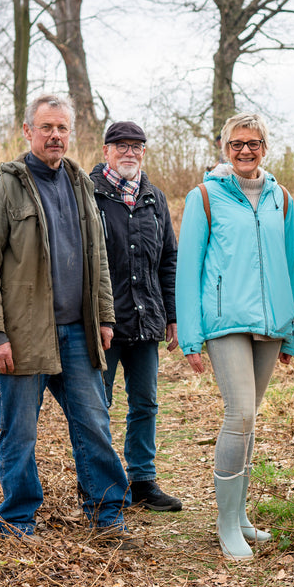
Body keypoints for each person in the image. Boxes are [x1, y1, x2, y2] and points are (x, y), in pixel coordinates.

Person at [0, 92, 135, 549]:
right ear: (28, 131)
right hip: (22, 337)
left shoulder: (81, 182)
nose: (55, 135)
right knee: (19, 431)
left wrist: (104, 316)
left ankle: (107, 515)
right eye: (46, 127)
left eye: (62, 128)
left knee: (94, 423)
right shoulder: (3, 187)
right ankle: (18, 520)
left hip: (78, 332)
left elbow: (97, 257)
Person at [176, 112, 294, 561]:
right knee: (240, 414)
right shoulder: (205, 197)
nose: (246, 151)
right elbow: (188, 269)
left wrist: (291, 330)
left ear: (266, 147)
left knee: (250, 421)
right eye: (236, 144)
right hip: (224, 322)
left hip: (270, 326)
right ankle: (226, 524)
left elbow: (290, 265)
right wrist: (190, 337)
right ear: (224, 149)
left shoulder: (280, 198)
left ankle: (242, 515)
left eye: (254, 143)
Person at [91, 120, 182, 512]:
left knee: (145, 402)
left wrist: (173, 315)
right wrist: (94, 316)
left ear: (144, 152)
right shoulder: (89, 193)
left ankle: (142, 481)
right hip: (103, 324)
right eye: (121, 146)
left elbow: (168, 259)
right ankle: (101, 486)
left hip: (146, 322)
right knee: (97, 405)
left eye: (137, 147)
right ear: (106, 150)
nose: (129, 152)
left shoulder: (153, 197)